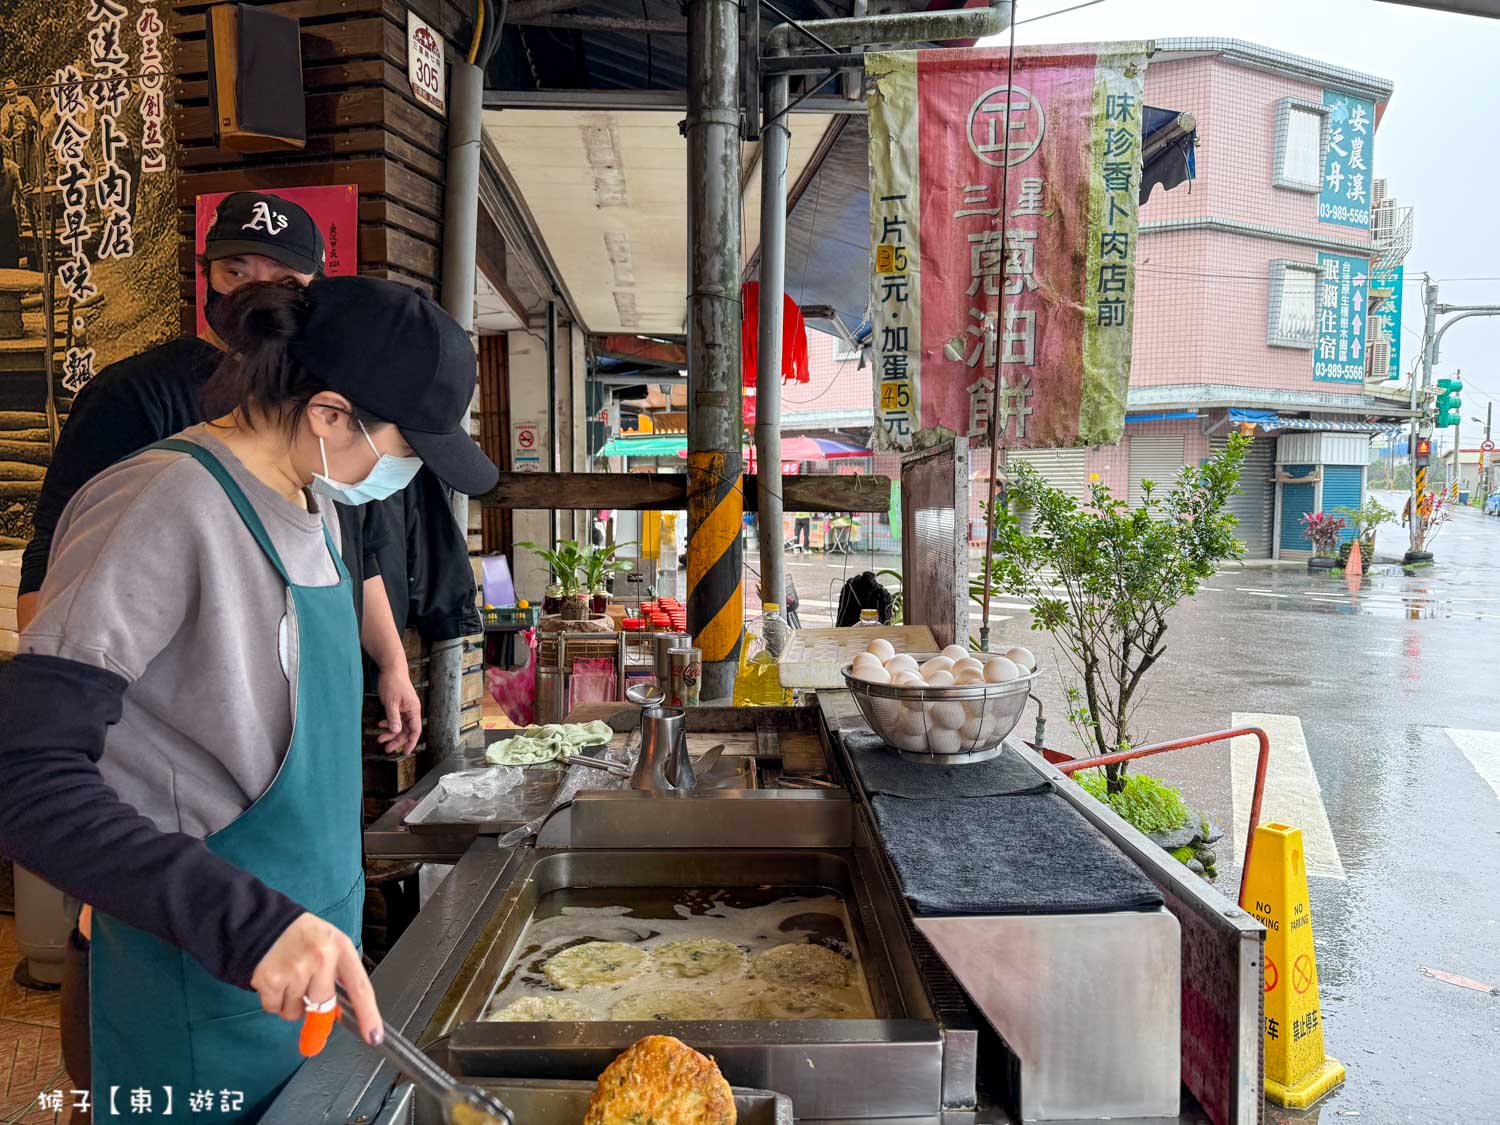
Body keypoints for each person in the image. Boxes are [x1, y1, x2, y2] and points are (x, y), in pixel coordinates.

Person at [0, 276, 499, 1122]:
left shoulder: (321, 509)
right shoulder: (160, 503)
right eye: (406, 446)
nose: (408, 472)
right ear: (330, 413)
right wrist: (242, 922)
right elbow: (25, 773)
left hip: (308, 981)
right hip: (195, 994)